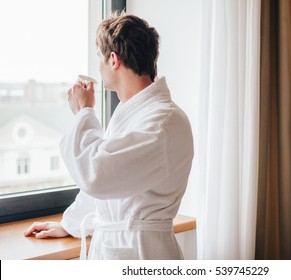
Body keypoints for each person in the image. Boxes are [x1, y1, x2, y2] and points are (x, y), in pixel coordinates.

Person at [24, 11, 194, 260]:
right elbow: (112, 188)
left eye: (99, 57)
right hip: (122, 242)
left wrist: (84, 112)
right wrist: (69, 225)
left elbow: (97, 175)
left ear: (113, 60)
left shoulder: (161, 123)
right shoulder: (137, 114)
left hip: (140, 254)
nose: (98, 65)